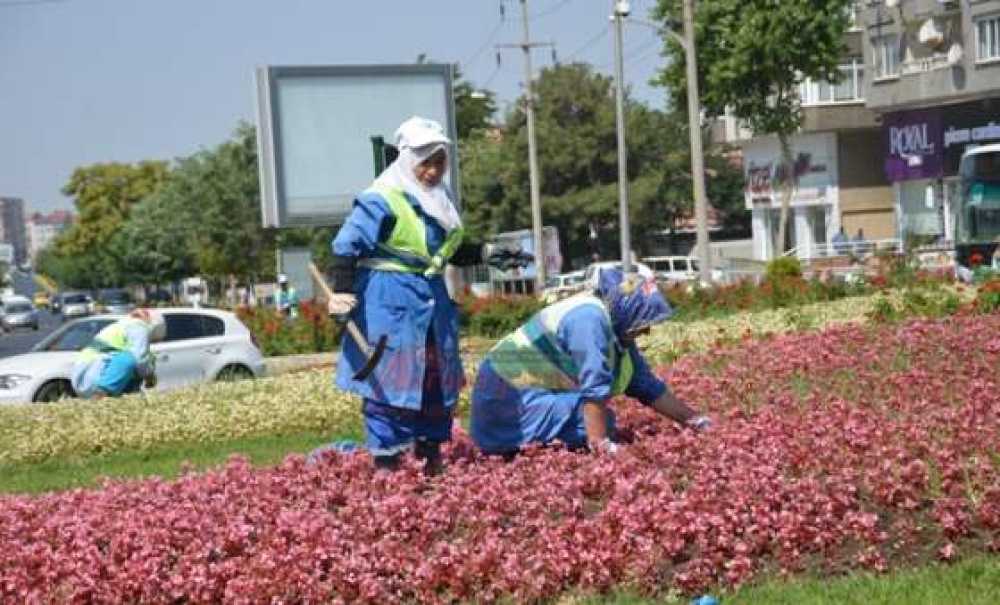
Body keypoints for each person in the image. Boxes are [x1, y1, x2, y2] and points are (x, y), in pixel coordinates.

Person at [325, 116, 529, 475]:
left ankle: (430, 457)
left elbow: (443, 250)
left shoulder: (439, 199)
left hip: (432, 303)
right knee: (391, 383)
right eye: (426, 163)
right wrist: (341, 292)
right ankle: (388, 467)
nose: (433, 171)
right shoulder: (381, 198)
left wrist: (487, 253)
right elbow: (347, 246)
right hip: (389, 304)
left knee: (435, 380)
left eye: (440, 162)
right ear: (407, 160)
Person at [470, 269, 710, 456]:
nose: (646, 332)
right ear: (628, 314)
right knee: (598, 421)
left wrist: (697, 422)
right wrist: (603, 446)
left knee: (599, 419)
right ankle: (520, 450)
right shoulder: (589, 320)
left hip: (525, 399)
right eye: (643, 324)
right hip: (504, 405)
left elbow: (645, 384)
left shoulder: (615, 324)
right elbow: (594, 387)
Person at [70, 308, 167, 399]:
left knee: (131, 362)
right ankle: (102, 395)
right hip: (93, 377)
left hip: (84, 375)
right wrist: (149, 375)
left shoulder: (124, 324)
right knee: (130, 359)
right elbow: (140, 358)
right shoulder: (138, 327)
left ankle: (125, 395)